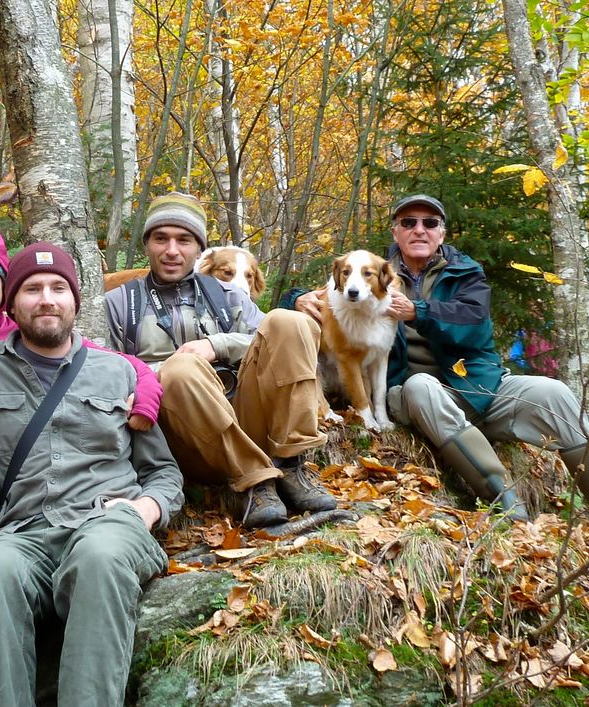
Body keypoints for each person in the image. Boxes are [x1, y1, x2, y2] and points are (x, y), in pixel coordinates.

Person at [0, 242, 184, 705]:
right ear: (12, 303)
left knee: (99, 558)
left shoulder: (117, 371)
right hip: (22, 530)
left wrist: (146, 509)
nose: (46, 299)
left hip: (107, 520)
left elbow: (163, 471)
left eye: (58, 288)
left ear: (74, 301)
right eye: (32, 289)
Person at [292, 194, 588, 520]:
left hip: (477, 385)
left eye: (430, 223)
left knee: (553, 393)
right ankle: (507, 505)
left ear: (441, 234)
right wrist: (297, 299)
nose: (419, 229)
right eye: (408, 222)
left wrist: (418, 311)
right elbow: (331, 296)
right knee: (422, 386)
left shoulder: (464, 272)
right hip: (412, 393)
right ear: (395, 232)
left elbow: (474, 324)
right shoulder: (372, 271)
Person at [105, 192, 336, 528]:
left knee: (290, 322)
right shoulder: (119, 303)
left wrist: (217, 345)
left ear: (199, 248)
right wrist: (167, 369)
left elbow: (272, 340)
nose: (172, 250)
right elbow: (107, 371)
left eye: (184, 240)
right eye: (161, 239)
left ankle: (291, 463)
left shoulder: (226, 294)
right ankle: (253, 480)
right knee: (182, 369)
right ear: (147, 245)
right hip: (179, 439)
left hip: (244, 417)